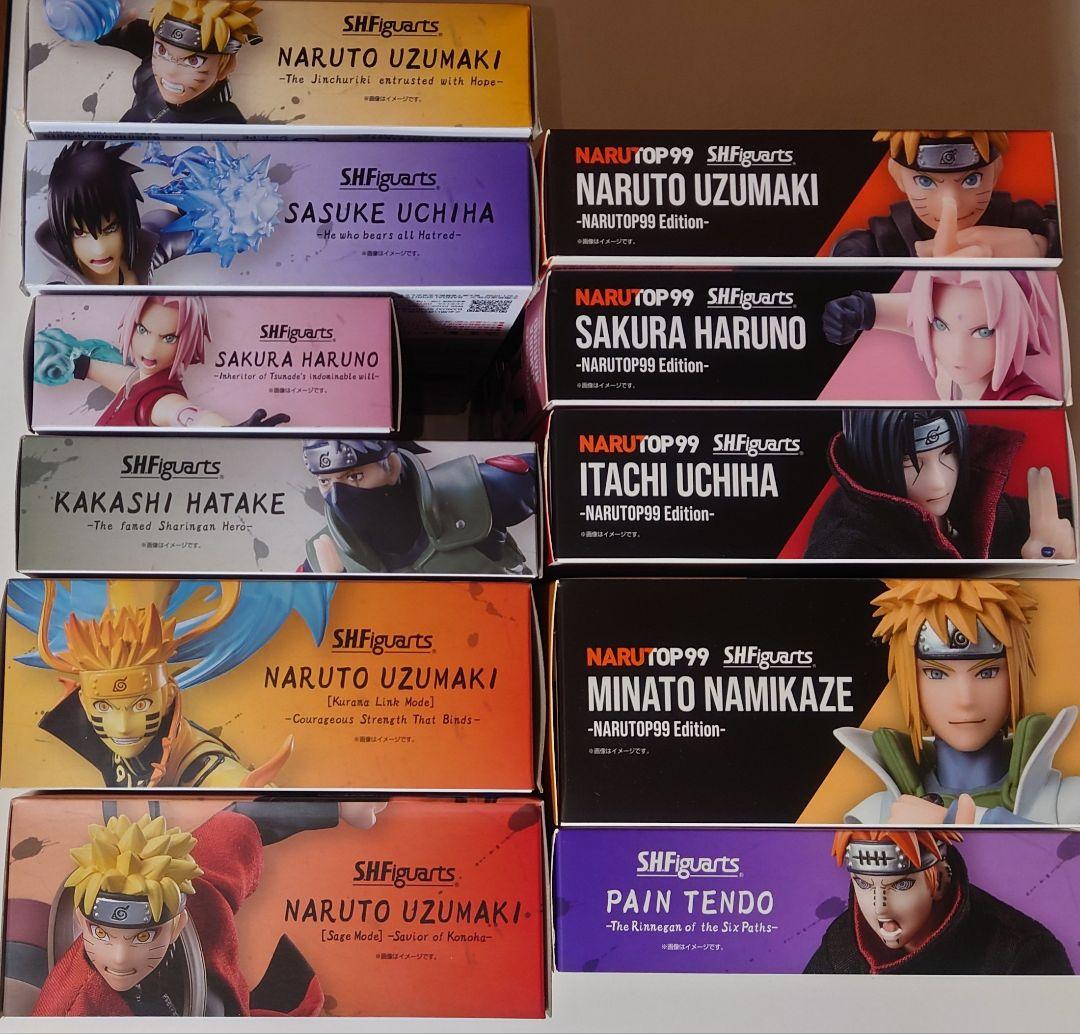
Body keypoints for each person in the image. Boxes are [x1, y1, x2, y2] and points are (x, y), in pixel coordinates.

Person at [30, 801, 383, 1016]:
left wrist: (337, 805)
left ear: (177, 925)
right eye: (102, 933)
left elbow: (239, 825)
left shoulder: (199, 897)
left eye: (144, 936)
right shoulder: (71, 1008)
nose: (119, 958)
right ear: (81, 921)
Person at [14, 579, 334, 788]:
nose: (123, 727)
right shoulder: (103, 734)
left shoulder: (191, 755)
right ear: (86, 703)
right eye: (103, 706)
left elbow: (210, 769)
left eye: (141, 704)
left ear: (167, 695)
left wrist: (241, 787)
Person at [835, 579, 1080, 824]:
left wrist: (966, 822)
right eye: (936, 674)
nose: (965, 700)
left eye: (987, 672)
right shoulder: (872, 815)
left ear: (1016, 674)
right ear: (909, 680)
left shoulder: (1067, 803)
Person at [804, 408, 1076, 560]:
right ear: (874, 459)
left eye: (947, 452)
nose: (938, 483)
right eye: (909, 463)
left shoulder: (979, 502)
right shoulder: (847, 549)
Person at [804, 828, 1073, 975]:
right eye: (863, 884)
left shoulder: (1025, 954)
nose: (880, 907)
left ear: (940, 880)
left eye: (901, 885)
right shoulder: (842, 943)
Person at [34, 294, 289, 428]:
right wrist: (73, 363)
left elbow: (189, 416)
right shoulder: (139, 380)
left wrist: (227, 431)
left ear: (187, 341)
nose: (150, 349)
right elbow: (105, 373)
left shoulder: (162, 400)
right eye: (142, 330)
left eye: (169, 338)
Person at [299, 439, 538, 575]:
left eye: (355, 476)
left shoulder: (476, 490)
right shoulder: (322, 558)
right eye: (325, 482)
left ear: (392, 466)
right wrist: (332, 589)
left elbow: (555, 469)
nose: (338, 497)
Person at [822, 270, 1057, 401]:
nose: (958, 354)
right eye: (940, 326)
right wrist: (855, 311)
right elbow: (918, 312)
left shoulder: (1027, 402)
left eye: (984, 332)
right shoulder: (938, 341)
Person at [830, 130, 1058, 259]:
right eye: (925, 181)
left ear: (997, 171)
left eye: (972, 180)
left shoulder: (1027, 220)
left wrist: (1043, 248)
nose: (953, 203)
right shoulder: (878, 245)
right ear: (898, 176)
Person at [43, 0, 262, 124]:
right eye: (161, 50)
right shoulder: (153, 40)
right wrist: (92, 17)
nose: (170, 71)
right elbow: (98, 30)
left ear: (226, 66)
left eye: (194, 61)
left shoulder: (225, 121)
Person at [35, 141, 190, 286]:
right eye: (80, 233)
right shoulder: (62, 292)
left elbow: (169, 218)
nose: (100, 250)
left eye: (111, 229)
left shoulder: (138, 254)